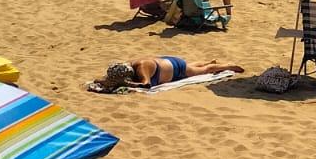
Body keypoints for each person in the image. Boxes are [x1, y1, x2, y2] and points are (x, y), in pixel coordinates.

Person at [91, 57, 246, 92]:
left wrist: (124, 84)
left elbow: (146, 84)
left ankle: (226, 65)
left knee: (203, 71)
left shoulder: (141, 68)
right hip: (166, 63)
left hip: (175, 68)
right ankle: (207, 61)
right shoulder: (126, 65)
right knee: (192, 66)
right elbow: (111, 77)